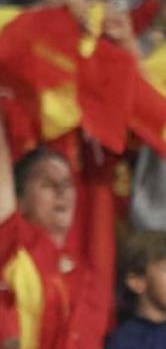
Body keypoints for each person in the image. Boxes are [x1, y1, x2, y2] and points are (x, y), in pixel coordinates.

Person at [0, 136, 107, 348]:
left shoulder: (84, 272)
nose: (62, 191)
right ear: (20, 200)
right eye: (47, 184)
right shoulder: (14, 245)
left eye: (67, 184)